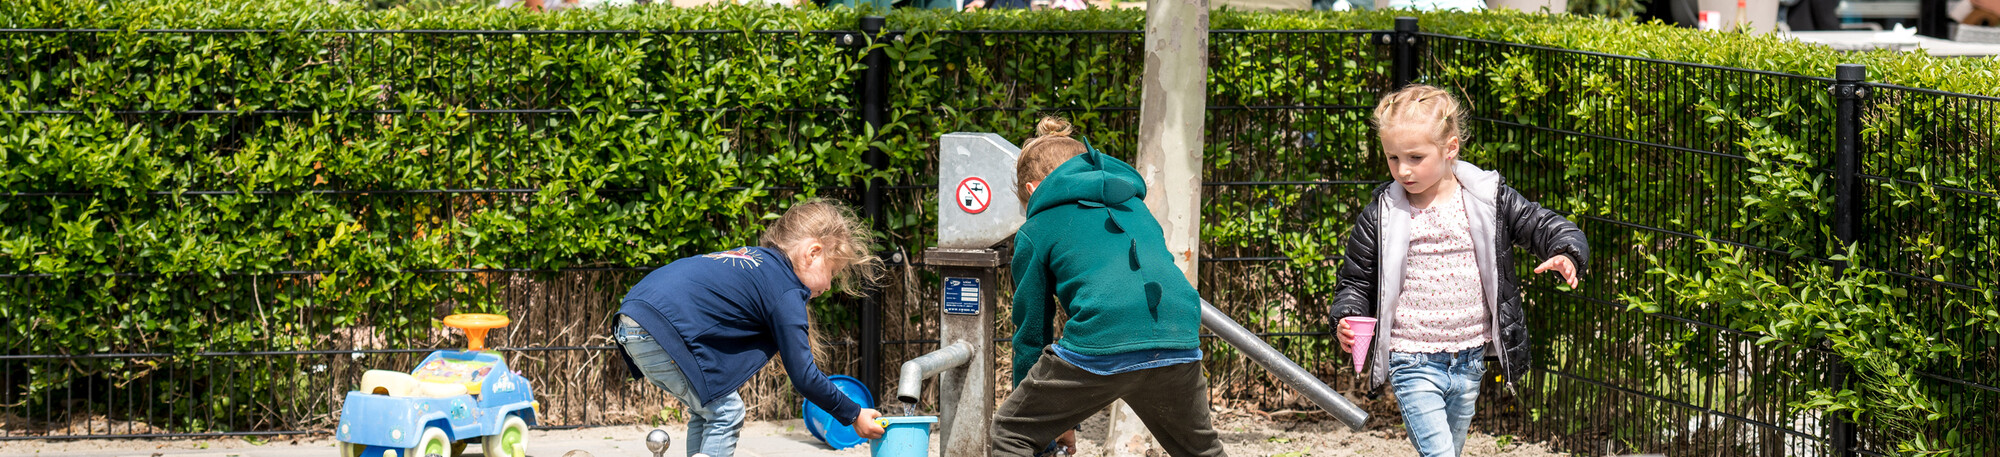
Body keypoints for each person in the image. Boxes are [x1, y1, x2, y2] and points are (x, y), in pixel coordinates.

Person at [1330, 85, 1589, 457]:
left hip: (1468, 360)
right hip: (1411, 359)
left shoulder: (1487, 199)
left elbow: (1542, 224)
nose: (1403, 170)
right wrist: (1348, 317)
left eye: (1416, 157)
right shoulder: (1382, 214)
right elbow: (1355, 280)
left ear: (1450, 148)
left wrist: (1566, 252)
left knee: (1450, 449)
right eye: (1393, 158)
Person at [990, 117, 1227, 457]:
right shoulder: (1135, 206)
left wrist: (1044, 423)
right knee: (1200, 449)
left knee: (1013, 432)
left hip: (1104, 339)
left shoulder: (1038, 226)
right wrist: (1059, 419)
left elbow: (1031, 334)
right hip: (1179, 336)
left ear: (1032, 189)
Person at [615, 199, 887, 457]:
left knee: (710, 410)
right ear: (813, 253)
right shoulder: (784, 287)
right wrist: (853, 414)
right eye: (833, 272)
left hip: (633, 319)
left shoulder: (756, 263)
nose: (828, 286)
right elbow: (804, 376)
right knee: (727, 412)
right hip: (662, 329)